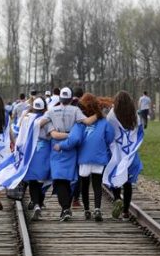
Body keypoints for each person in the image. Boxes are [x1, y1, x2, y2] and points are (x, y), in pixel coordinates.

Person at [0, 98, 53, 221]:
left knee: (33, 181)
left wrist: (17, 151)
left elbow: (20, 136)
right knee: (44, 180)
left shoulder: (26, 119)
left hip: (29, 155)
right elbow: (50, 134)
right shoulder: (46, 120)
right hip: (44, 153)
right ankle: (39, 202)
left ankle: (36, 204)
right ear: (44, 108)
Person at [54, 93, 114, 222]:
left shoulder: (80, 122)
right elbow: (110, 138)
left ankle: (87, 209)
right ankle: (97, 208)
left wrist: (61, 146)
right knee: (98, 184)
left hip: (84, 158)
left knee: (85, 185)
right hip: (99, 157)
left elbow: (76, 139)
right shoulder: (104, 121)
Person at [40, 87, 97, 221]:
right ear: (72, 99)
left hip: (56, 146)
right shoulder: (76, 110)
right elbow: (88, 122)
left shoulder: (51, 111)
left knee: (58, 178)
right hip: (71, 146)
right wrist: (99, 114)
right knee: (70, 178)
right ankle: (66, 207)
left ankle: (65, 208)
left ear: (60, 98)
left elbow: (40, 123)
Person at [103, 91, 144, 219]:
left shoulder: (111, 116)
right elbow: (139, 132)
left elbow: (109, 133)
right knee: (127, 182)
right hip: (129, 152)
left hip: (115, 151)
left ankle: (116, 198)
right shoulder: (135, 116)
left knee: (115, 175)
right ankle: (126, 211)